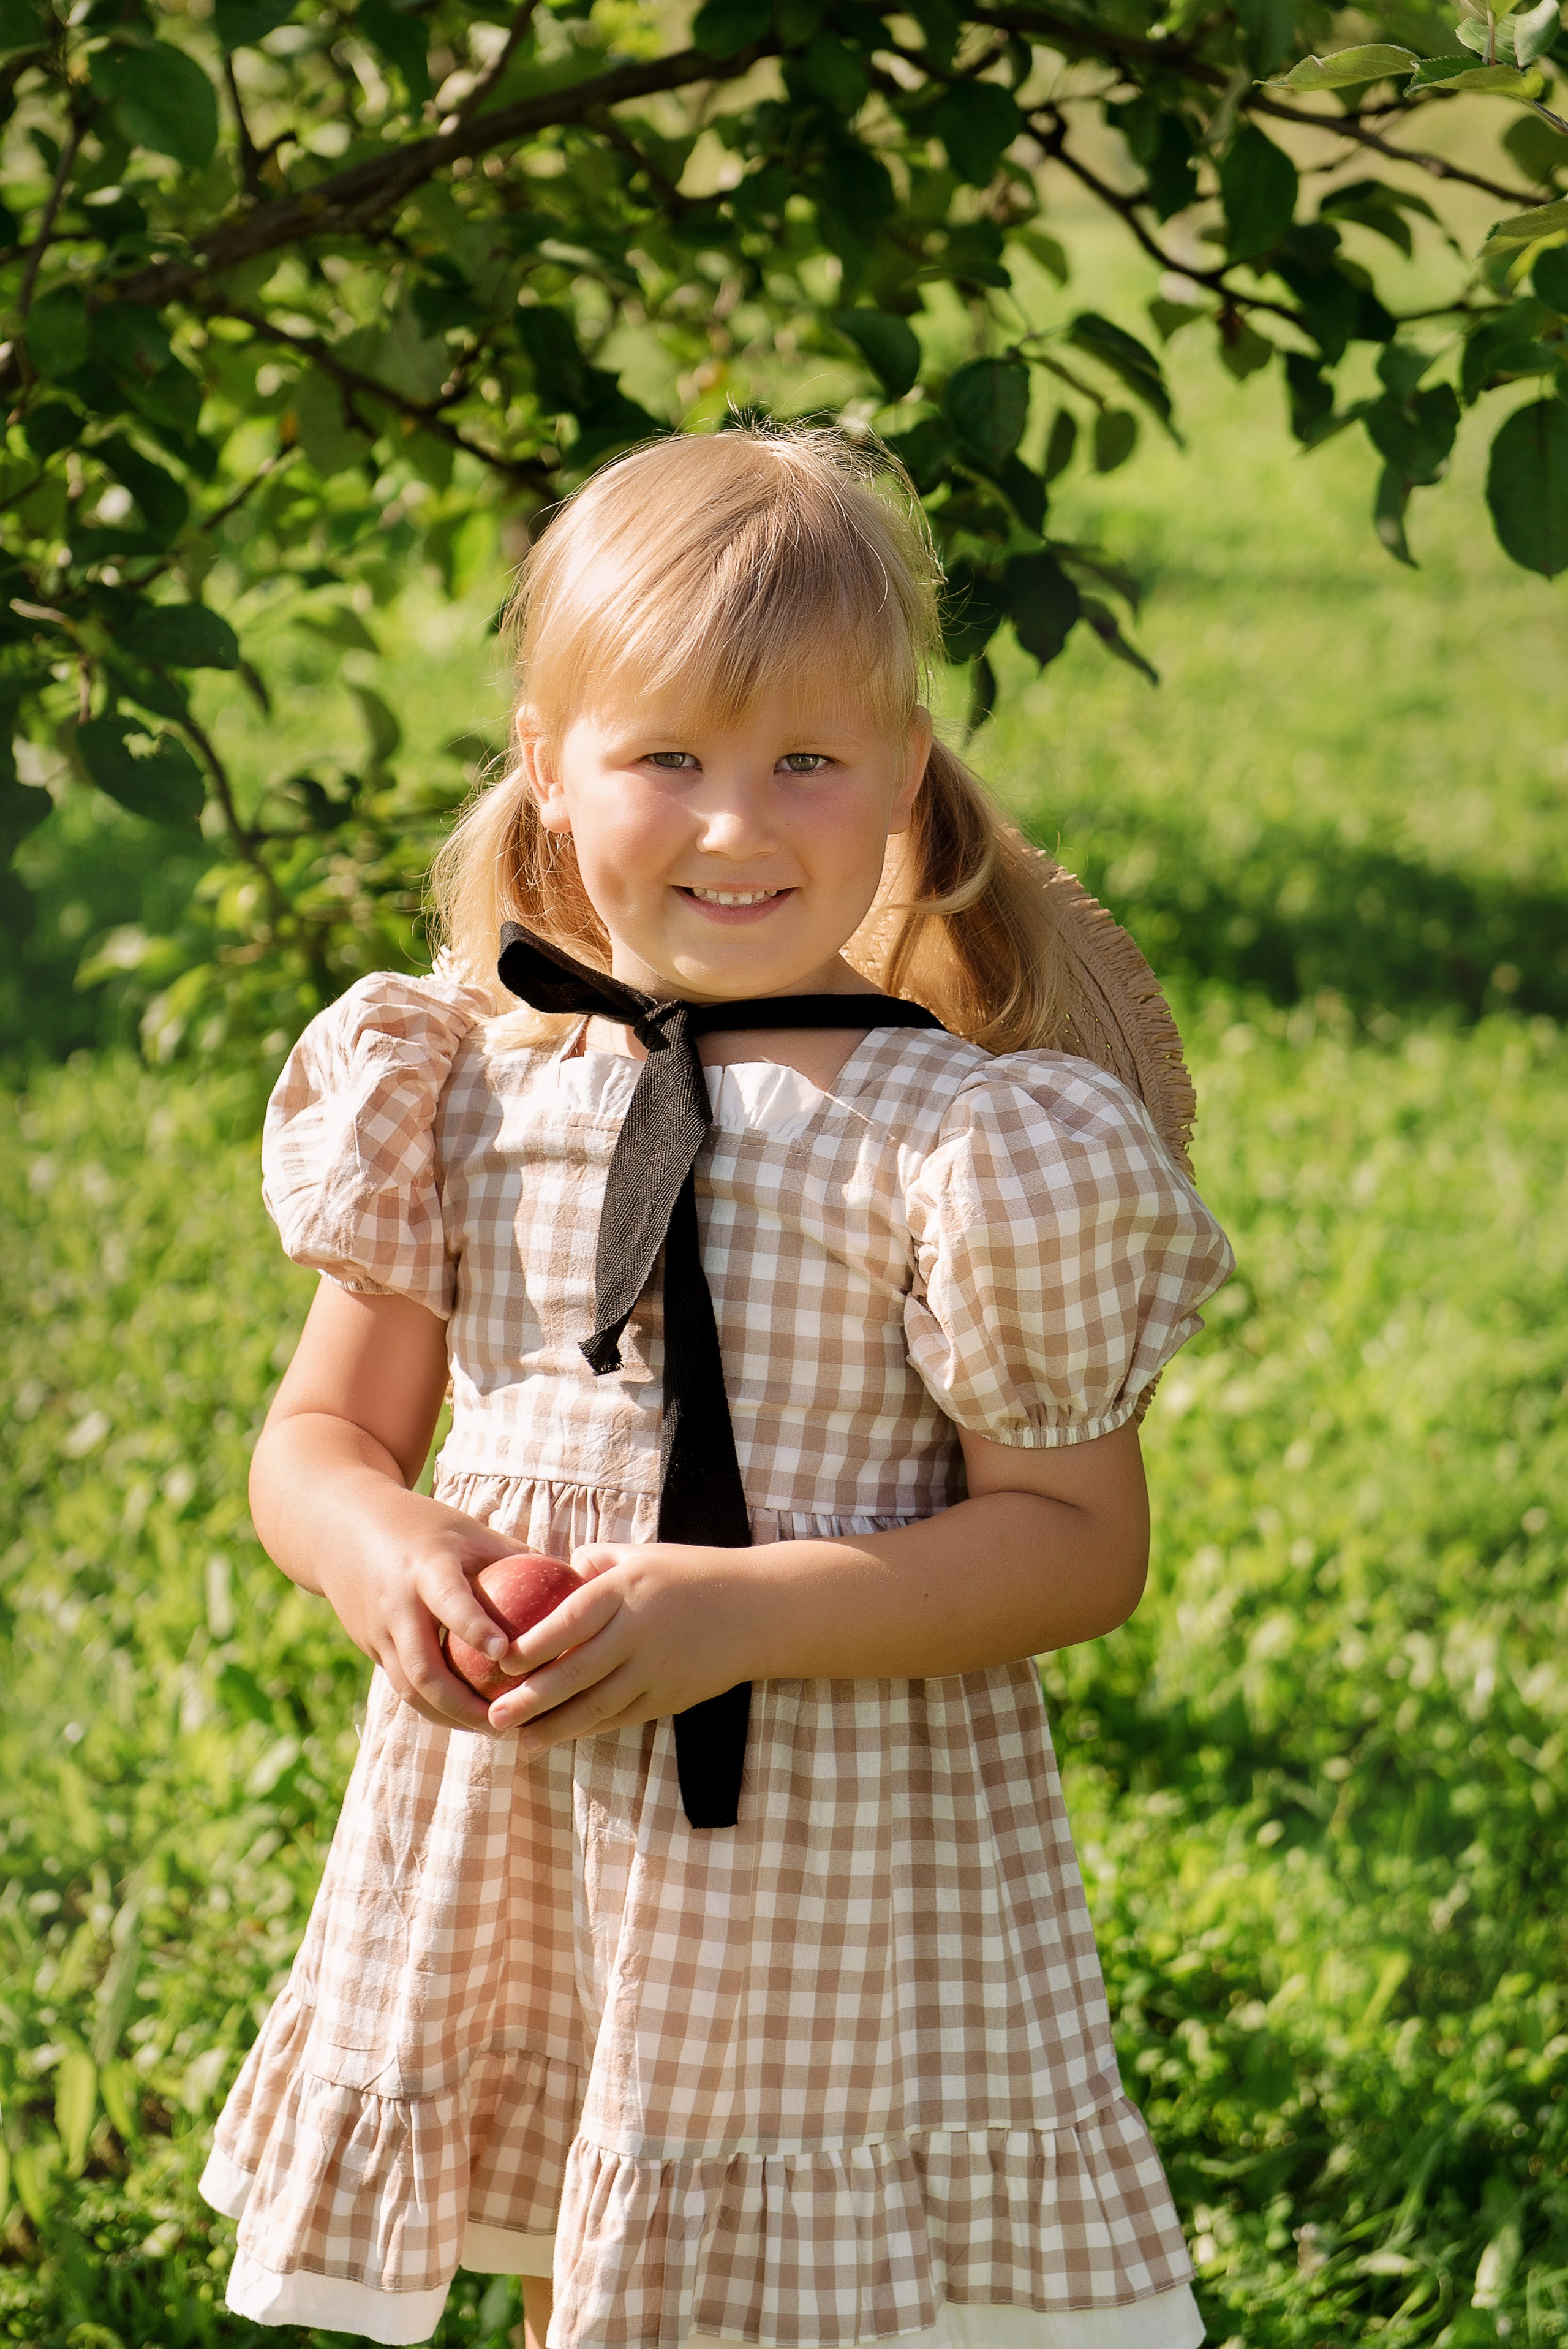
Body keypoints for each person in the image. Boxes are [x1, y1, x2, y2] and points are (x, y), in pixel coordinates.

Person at [202, 423, 1234, 2349]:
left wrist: (734, 1611)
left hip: (833, 1843)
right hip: (529, 1807)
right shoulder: (457, 1083)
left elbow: (1077, 1544)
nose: (738, 823)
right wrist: (385, 1549)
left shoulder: (969, 1138)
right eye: (668, 756)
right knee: (576, 2254)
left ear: (905, 780)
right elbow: (317, 1437)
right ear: (550, 765)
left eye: (807, 763)